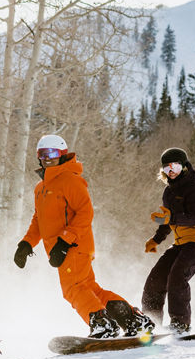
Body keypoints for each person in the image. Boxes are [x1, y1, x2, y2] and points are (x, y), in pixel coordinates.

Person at [13, 134, 154, 338]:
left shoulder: (70, 180)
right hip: (60, 249)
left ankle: (102, 324)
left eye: (52, 153)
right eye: (42, 154)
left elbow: (86, 212)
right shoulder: (41, 188)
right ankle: (134, 321)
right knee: (90, 289)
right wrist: (26, 244)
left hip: (73, 246)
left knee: (73, 289)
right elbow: (38, 220)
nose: (47, 158)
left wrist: (64, 241)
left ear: (62, 155)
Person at [141, 148, 195, 334]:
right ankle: (150, 324)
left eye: (174, 166)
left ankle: (180, 323)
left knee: (177, 277)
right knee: (155, 280)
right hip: (181, 242)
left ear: (184, 166)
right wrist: (155, 240)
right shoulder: (168, 192)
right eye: (166, 168)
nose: (170, 171)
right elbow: (168, 220)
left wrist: (170, 218)